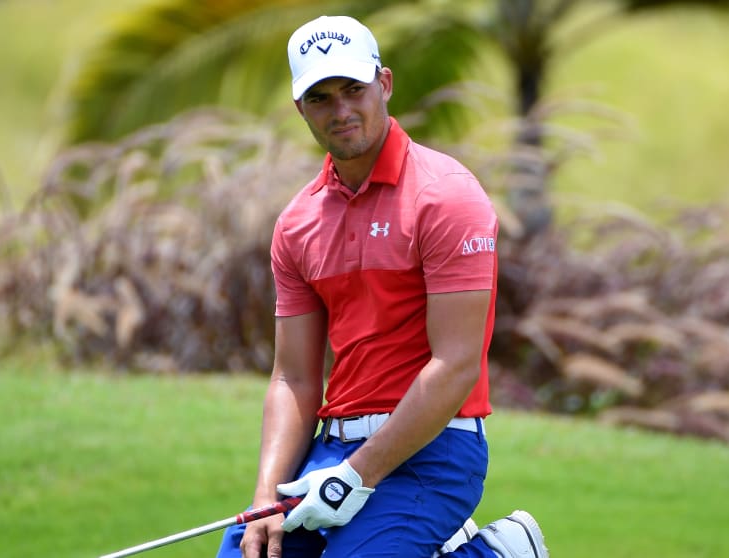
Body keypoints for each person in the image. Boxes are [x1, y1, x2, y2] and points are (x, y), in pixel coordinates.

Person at [215, 14, 549, 558]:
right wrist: (265, 500)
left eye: (353, 89)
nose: (341, 110)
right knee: (252, 552)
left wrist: (358, 475)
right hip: (331, 451)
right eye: (321, 97)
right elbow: (294, 377)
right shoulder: (298, 223)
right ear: (301, 109)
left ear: (385, 84)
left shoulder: (445, 197)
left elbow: (457, 364)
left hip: (434, 452)